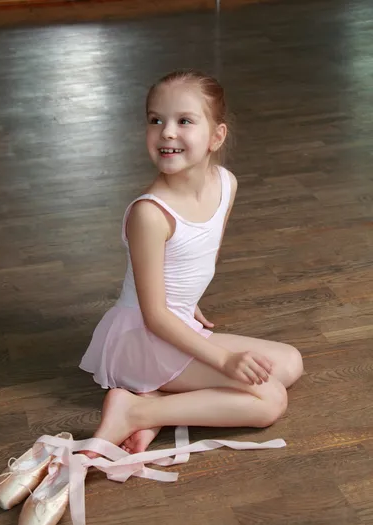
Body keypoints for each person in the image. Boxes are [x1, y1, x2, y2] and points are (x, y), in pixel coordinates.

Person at [80, 70, 303, 458]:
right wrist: (224, 359)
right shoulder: (150, 213)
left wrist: (187, 298)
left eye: (184, 120)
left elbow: (198, 256)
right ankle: (139, 411)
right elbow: (154, 316)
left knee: (290, 363)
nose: (167, 132)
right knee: (269, 400)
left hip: (175, 322)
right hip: (143, 338)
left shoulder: (226, 183)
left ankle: (156, 403)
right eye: (156, 120)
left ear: (217, 136)